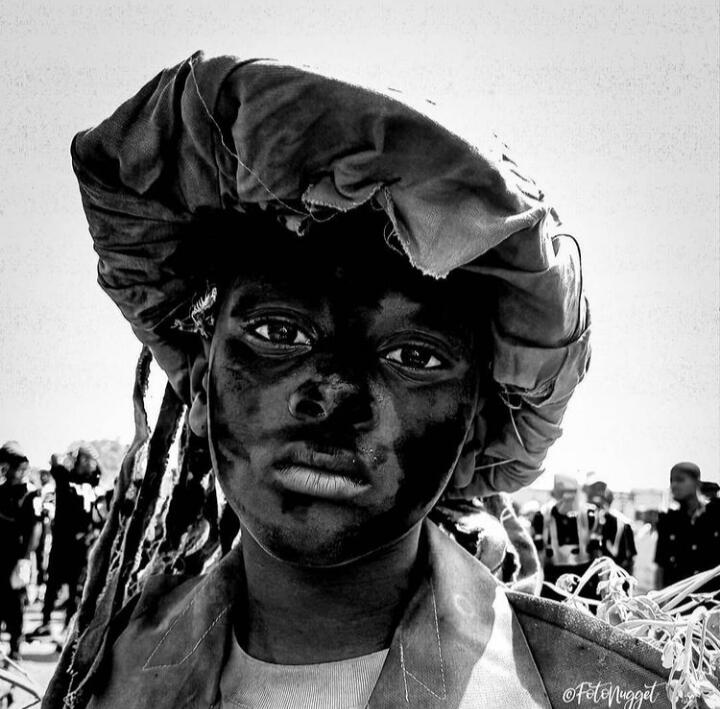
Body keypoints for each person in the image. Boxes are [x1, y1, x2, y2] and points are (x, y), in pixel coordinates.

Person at [42, 53, 669, 709]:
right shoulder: (107, 674)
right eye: (278, 332)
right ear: (201, 388)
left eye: (413, 355)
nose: (336, 393)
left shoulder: (600, 695)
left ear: (474, 429)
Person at [32, 447, 106, 635]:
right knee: (53, 582)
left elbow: (99, 514)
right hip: (61, 541)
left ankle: (69, 627)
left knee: (76, 587)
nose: (90, 464)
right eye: (87, 460)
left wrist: (90, 534)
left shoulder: (93, 484)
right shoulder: (65, 477)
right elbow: (54, 458)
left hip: (80, 544)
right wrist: (72, 456)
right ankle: (46, 622)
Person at [0, 442, 40, 660]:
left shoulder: (30, 494)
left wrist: (25, 559)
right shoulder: (2, 491)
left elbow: (35, 529)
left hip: (17, 557)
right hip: (1, 555)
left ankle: (15, 649)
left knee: (15, 604)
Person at [654, 462, 720, 590]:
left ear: (697, 483)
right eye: (672, 481)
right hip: (678, 598)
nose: (674, 485)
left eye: (680, 480)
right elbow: (661, 566)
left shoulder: (715, 515)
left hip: (713, 598)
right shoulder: (669, 520)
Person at [583, 472, 637, 573]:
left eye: (601, 488)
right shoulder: (579, 520)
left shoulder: (621, 524)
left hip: (611, 577)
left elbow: (629, 561)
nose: (598, 492)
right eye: (594, 489)